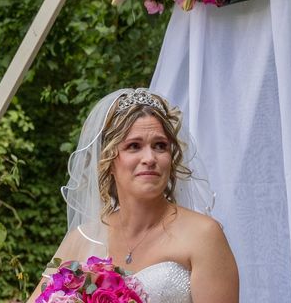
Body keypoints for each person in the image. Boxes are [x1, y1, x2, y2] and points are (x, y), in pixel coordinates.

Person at [28, 88, 238, 303]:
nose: (150, 157)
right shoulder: (82, 238)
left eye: (160, 146)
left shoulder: (203, 235)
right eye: (134, 146)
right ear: (108, 159)